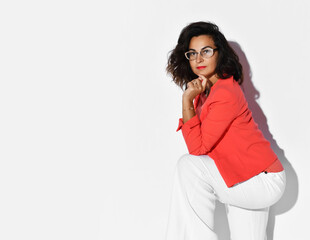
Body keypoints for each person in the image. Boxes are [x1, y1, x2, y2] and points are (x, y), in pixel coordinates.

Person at [164, 21, 286, 240]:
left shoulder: (225, 92)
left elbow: (198, 149)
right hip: (242, 176)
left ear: (219, 54)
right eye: (192, 53)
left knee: (189, 167)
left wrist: (186, 102)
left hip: (261, 179)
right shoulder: (205, 92)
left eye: (206, 51)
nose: (199, 59)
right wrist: (193, 100)